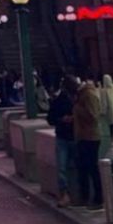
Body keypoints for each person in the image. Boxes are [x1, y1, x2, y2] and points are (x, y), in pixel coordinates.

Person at [47, 75, 77, 208]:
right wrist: (63, 119)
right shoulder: (66, 100)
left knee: (64, 167)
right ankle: (68, 194)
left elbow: (50, 118)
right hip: (69, 136)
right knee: (66, 167)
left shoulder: (77, 98)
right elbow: (51, 118)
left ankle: (69, 194)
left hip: (68, 136)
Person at [74, 79, 103, 210]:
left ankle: (98, 198)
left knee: (92, 167)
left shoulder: (89, 95)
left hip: (90, 137)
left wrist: (78, 109)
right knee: (83, 168)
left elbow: (94, 116)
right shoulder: (83, 95)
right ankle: (85, 197)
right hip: (83, 136)